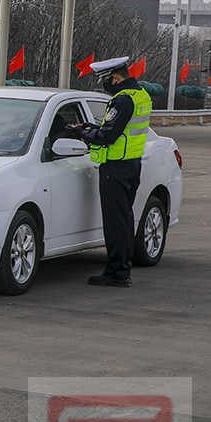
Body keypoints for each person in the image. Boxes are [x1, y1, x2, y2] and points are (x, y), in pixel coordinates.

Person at [73, 56, 152, 288]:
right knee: (124, 220)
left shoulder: (122, 100)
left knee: (116, 222)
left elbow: (109, 136)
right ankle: (122, 268)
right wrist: (91, 128)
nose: (105, 84)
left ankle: (117, 272)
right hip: (131, 164)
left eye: (105, 80)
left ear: (115, 77)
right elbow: (121, 129)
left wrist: (82, 134)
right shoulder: (140, 96)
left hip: (116, 167)